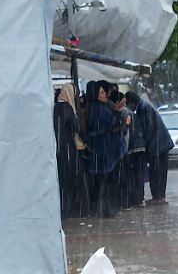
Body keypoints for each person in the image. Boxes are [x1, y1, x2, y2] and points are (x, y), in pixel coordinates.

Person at [84, 81, 126, 217]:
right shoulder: (99, 109)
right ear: (96, 94)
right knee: (104, 183)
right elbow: (113, 126)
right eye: (101, 92)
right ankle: (105, 211)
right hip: (103, 151)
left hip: (100, 152)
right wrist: (118, 113)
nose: (104, 95)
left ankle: (100, 211)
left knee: (100, 183)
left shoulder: (93, 108)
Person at [126, 92, 174, 206]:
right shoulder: (145, 105)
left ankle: (158, 198)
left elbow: (147, 129)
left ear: (132, 102)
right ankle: (159, 197)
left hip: (158, 145)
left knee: (156, 172)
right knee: (159, 172)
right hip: (161, 144)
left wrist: (143, 146)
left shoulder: (143, 108)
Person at [52, 84, 89, 219]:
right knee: (75, 180)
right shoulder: (67, 109)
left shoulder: (56, 108)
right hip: (70, 150)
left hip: (60, 150)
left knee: (64, 181)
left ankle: (65, 209)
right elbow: (76, 128)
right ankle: (77, 210)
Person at [122, 92, 148, 208]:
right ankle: (139, 198)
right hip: (140, 147)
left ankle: (136, 199)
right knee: (139, 174)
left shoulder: (127, 112)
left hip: (133, 148)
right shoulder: (133, 112)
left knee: (135, 175)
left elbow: (128, 132)